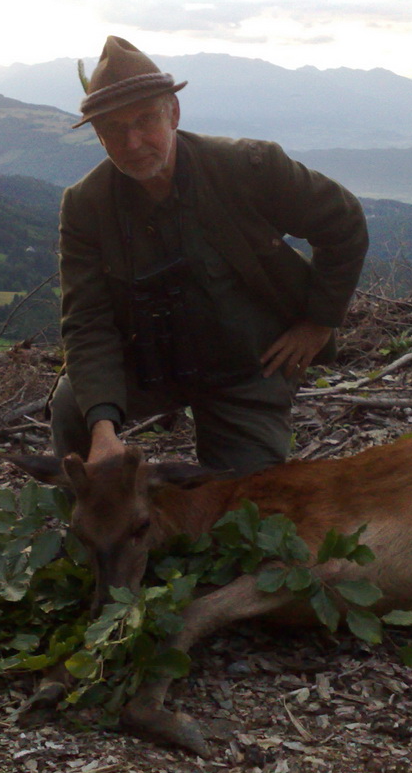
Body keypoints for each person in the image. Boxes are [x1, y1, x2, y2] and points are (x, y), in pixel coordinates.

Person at [51, 37, 368, 475]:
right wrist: (102, 429)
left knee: (243, 511)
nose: (133, 141)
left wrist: (318, 322)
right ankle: (92, 520)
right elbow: (86, 320)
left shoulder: (251, 169)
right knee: (74, 404)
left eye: (145, 120)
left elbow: (345, 221)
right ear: (99, 136)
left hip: (248, 366)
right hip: (151, 364)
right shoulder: (87, 206)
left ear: (174, 113)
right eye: (114, 129)